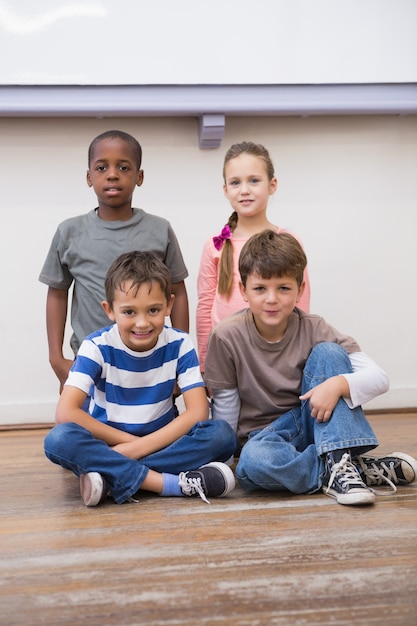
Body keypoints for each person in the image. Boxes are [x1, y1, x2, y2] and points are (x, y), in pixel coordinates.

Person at [204, 230, 417, 506]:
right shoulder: (225, 336)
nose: (272, 299)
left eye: (283, 288)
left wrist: (338, 384)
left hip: (313, 420)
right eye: (260, 288)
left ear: (299, 290)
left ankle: (339, 462)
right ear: (243, 290)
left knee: (330, 353)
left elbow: (380, 378)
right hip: (263, 440)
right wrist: (225, 461)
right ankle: (347, 469)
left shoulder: (314, 327)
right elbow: (226, 406)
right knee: (253, 464)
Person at [44, 251, 237, 507]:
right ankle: (170, 484)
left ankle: (108, 473)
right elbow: (66, 413)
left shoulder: (179, 343)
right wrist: (136, 446)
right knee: (58, 439)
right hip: (115, 441)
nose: (142, 323)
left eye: (154, 310)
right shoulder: (96, 346)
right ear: (109, 310)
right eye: (129, 312)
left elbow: (198, 412)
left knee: (222, 435)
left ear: (169, 305)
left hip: (165, 438)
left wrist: (125, 454)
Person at [39, 129, 189, 392]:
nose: (112, 174)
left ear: (139, 176)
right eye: (101, 167)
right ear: (89, 177)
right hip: (90, 361)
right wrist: (56, 358)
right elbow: (57, 293)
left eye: (123, 167)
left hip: (152, 359)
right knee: (76, 432)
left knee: (155, 430)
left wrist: (179, 355)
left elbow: (177, 291)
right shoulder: (69, 232)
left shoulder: (159, 230)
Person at [197, 141, 311, 372]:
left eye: (254, 180)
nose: (245, 190)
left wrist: (299, 352)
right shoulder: (215, 245)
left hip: (277, 352)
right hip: (228, 354)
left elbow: (301, 301)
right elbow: (205, 307)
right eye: (236, 182)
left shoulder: (289, 240)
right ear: (225, 189)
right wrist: (204, 362)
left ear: (272, 185)